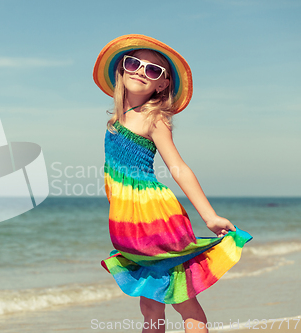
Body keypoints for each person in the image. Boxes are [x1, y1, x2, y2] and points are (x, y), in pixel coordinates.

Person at [93, 35, 253, 333]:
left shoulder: (153, 118)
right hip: (129, 222)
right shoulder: (118, 118)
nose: (141, 70)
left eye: (153, 70)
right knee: (150, 303)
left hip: (153, 217)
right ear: (122, 69)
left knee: (182, 298)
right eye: (134, 63)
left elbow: (178, 168)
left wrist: (209, 216)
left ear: (162, 84)